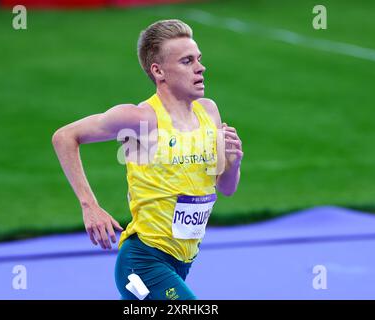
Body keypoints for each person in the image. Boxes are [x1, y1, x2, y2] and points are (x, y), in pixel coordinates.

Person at [52, 19, 243, 300]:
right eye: (187, 61)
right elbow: (65, 137)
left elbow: (225, 188)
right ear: (159, 71)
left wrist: (233, 162)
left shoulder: (208, 112)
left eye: (199, 59)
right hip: (143, 261)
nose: (200, 68)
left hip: (182, 262)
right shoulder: (140, 119)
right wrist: (89, 206)